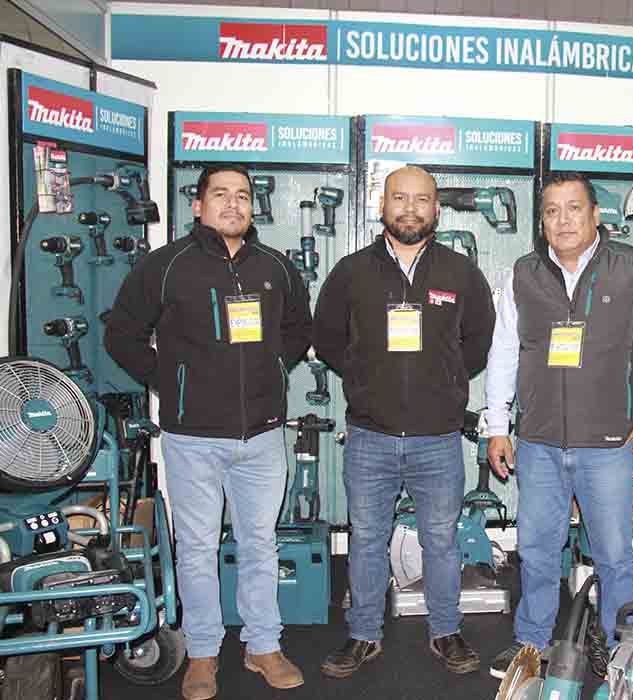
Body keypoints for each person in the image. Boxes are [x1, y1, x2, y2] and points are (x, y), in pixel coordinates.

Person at [104, 163, 311, 700]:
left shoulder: (276, 267)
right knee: (196, 548)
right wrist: (169, 381)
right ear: (198, 206)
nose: (233, 204)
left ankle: (263, 645)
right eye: (221, 194)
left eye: (242, 195)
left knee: (260, 544)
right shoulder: (165, 266)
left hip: (262, 437)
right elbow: (122, 334)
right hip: (192, 437)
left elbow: (299, 327)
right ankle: (202, 652)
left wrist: (275, 369)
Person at [484, 172, 633, 678]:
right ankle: (531, 643)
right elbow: (504, 352)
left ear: (595, 214)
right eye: (552, 211)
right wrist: (498, 425)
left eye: (574, 208)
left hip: (609, 443)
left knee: (615, 554)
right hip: (538, 442)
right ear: (542, 222)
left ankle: (623, 648)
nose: (563, 220)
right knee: (536, 550)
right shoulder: (524, 274)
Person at [314, 165, 496, 679]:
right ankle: (363, 634)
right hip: (369, 435)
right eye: (399, 198)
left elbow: (479, 341)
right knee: (367, 539)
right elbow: (327, 338)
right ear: (383, 205)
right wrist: (365, 375)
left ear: (436, 209)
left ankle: (445, 630)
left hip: (437, 438)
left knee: (441, 540)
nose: (410, 208)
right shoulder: (351, 271)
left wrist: (446, 379)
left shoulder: (461, 273)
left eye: (420, 199)